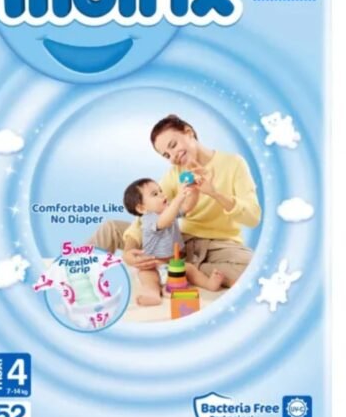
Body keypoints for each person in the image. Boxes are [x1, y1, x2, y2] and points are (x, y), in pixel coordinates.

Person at [89, 114, 262, 287]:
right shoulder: (175, 174)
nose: (173, 157)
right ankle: (80, 273)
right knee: (112, 228)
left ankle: (186, 269)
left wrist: (215, 193)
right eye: (166, 155)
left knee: (255, 269)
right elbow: (148, 215)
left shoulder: (234, 163)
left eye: (173, 145)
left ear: (189, 132)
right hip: (180, 242)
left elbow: (252, 218)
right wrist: (128, 251)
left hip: (219, 247)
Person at [122, 177, 225, 305]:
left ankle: (208, 284)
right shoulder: (148, 219)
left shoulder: (169, 209)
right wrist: (179, 197)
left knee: (190, 269)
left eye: (160, 190)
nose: (161, 194)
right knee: (147, 276)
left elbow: (187, 207)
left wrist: (194, 191)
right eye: (155, 194)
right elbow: (164, 221)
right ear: (142, 208)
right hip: (154, 264)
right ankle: (152, 293)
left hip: (175, 263)